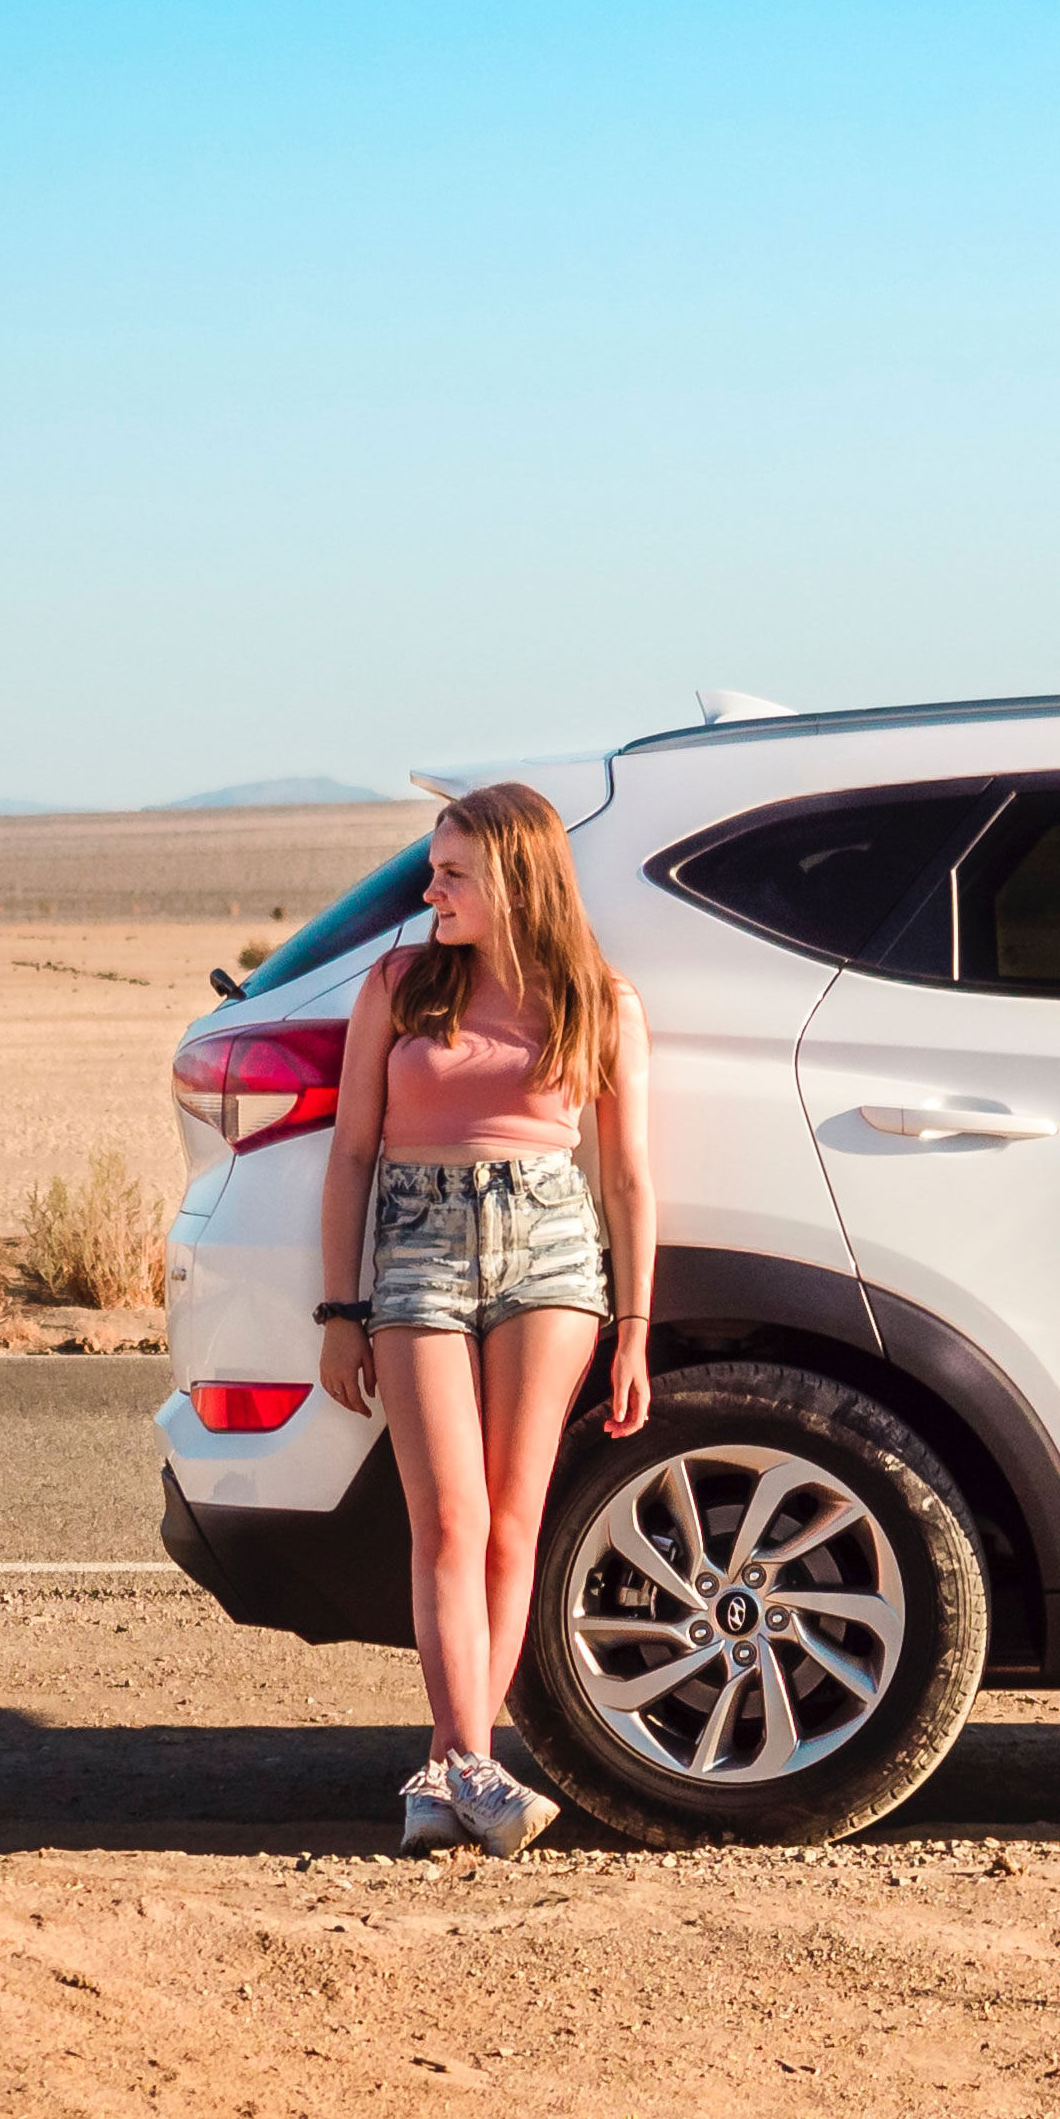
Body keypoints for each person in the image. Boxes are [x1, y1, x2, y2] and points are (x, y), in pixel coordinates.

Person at [311, 782, 655, 1856]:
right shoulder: (400, 983)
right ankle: (471, 1765)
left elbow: (629, 1178)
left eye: (452, 872)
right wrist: (339, 1308)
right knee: (448, 1522)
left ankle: (455, 1771)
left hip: (551, 1247)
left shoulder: (599, 999)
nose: (431, 889)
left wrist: (636, 1324)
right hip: (415, 1244)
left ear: (515, 876)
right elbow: (353, 1153)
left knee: (513, 1521)